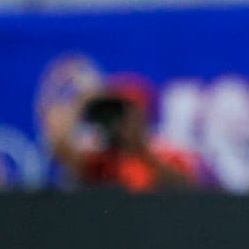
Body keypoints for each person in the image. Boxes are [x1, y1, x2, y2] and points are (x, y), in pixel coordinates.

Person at [44, 75, 200, 191]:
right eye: (117, 114)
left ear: (143, 115)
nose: (122, 121)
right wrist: (82, 105)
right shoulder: (103, 154)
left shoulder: (166, 149)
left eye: (128, 112)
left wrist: (141, 149)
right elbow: (60, 148)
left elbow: (186, 186)